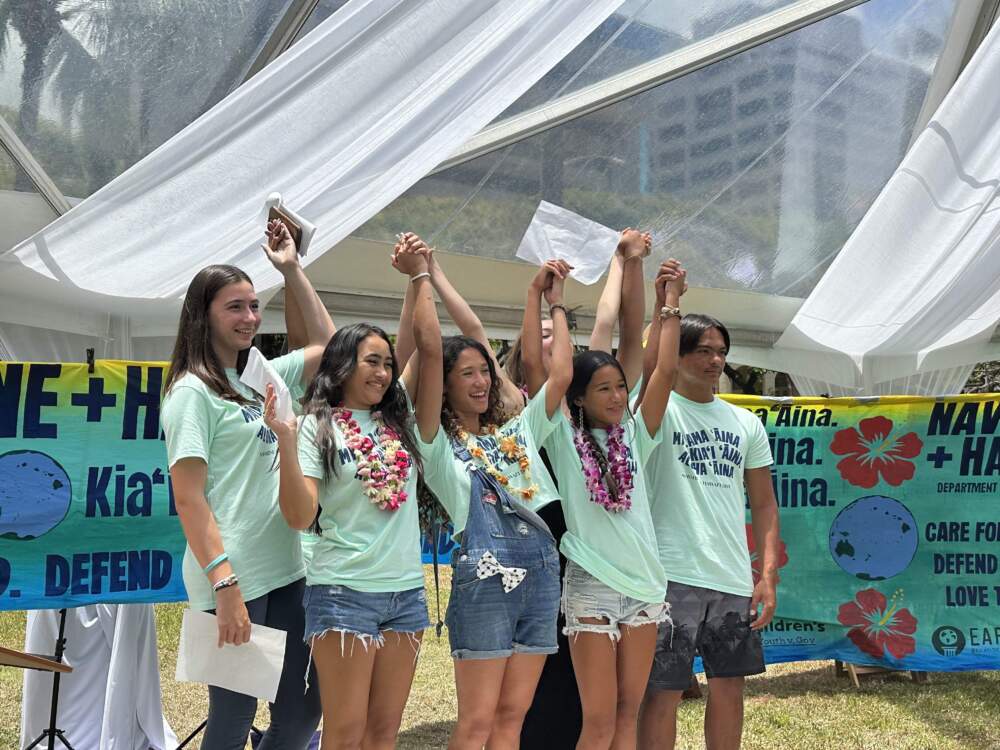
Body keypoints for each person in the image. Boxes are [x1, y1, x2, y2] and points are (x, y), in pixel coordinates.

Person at [261, 234, 435, 750]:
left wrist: (416, 276)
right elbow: (298, 516)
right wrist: (288, 444)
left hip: (405, 594)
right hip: (343, 593)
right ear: (342, 366)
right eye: (371, 362)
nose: (384, 372)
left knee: (384, 731)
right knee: (345, 731)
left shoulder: (396, 413)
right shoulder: (320, 425)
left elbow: (420, 342)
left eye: (387, 363)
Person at [160, 218, 328, 749]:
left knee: (302, 716)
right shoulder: (191, 393)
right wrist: (225, 587)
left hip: (289, 570)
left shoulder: (260, 378)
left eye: (255, 306)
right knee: (231, 723)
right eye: (235, 306)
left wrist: (292, 268)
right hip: (233, 581)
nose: (251, 317)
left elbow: (328, 345)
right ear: (202, 315)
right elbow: (188, 499)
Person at [410, 249, 574, 750]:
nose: (481, 382)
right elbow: (432, 348)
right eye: (467, 374)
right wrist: (422, 277)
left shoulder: (520, 429)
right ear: (444, 385)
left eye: (485, 371)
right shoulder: (436, 445)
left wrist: (556, 305)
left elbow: (561, 375)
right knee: (477, 721)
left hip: (544, 578)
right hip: (485, 583)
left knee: (512, 717)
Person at [529, 253, 686, 750]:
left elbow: (663, 373)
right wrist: (551, 305)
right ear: (578, 397)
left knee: (627, 715)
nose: (619, 397)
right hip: (590, 586)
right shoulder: (559, 434)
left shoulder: (636, 435)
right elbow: (542, 369)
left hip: (644, 586)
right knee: (596, 722)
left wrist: (672, 305)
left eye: (621, 387)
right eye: (605, 389)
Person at [637, 314, 781, 750]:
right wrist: (669, 304)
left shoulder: (745, 423)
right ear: (676, 355)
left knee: (730, 689)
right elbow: (651, 368)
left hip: (731, 576)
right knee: (663, 690)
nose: (715, 360)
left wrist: (768, 575)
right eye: (703, 350)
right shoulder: (655, 410)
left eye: (721, 351)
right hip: (669, 573)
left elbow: (764, 503)